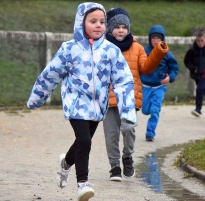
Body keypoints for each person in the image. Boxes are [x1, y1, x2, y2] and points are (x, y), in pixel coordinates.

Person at [26, 2, 137, 201]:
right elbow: (51, 74)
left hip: (98, 107)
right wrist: (37, 97)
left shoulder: (111, 51)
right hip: (76, 103)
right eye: (93, 21)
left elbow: (123, 80)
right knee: (85, 141)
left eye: (102, 22)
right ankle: (82, 184)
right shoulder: (69, 49)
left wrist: (127, 110)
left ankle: (65, 164)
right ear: (81, 23)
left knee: (81, 142)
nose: (98, 25)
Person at [103, 8, 169, 181]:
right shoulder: (103, 47)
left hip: (129, 98)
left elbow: (146, 68)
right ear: (110, 28)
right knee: (111, 136)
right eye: (117, 26)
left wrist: (158, 52)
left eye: (124, 27)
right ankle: (115, 167)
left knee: (129, 129)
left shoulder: (137, 47)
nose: (121, 30)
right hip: (108, 99)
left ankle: (127, 156)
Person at [140, 25, 179, 142]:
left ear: (162, 40)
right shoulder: (144, 51)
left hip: (160, 86)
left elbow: (174, 67)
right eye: (153, 38)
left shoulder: (166, 53)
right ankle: (149, 113)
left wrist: (170, 77)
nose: (156, 40)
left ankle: (150, 133)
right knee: (145, 110)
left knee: (155, 110)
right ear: (149, 39)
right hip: (146, 86)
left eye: (158, 38)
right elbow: (139, 65)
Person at [184, 28, 205, 117]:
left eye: (202, 41)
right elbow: (187, 60)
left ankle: (198, 109)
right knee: (202, 90)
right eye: (198, 41)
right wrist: (192, 68)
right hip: (196, 74)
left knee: (199, 89)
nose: (200, 43)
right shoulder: (193, 50)